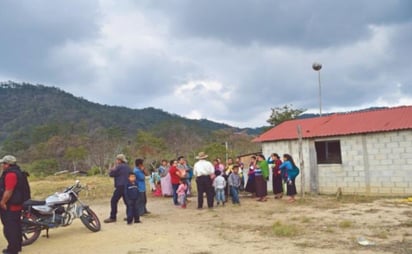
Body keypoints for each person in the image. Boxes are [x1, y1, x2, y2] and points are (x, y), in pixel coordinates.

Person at [0, 155, 23, 254]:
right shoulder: (18, 172)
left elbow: (9, 190)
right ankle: (17, 247)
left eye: (3, 163)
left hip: (10, 206)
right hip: (16, 205)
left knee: (10, 229)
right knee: (16, 227)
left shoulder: (10, 175)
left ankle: (12, 250)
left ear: (8, 164)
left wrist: (3, 202)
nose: (2, 165)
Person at [104, 154, 130, 223]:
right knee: (127, 202)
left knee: (113, 201)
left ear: (119, 160)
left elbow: (111, 174)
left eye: (117, 159)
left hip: (120, 186)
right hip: (127, 185)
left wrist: (111, 169)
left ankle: (113, 217)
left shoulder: (118, 167)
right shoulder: (127, 167)